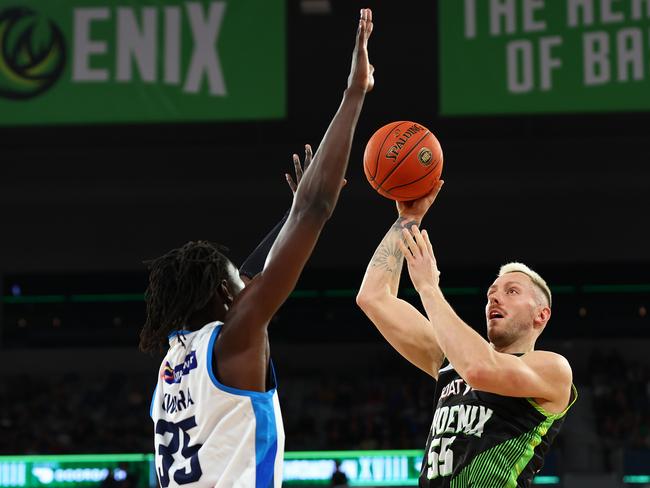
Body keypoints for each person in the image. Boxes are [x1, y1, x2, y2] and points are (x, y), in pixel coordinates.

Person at [139, 9, 374, 487]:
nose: (249, 285)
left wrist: (291, 217)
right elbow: (316, 207)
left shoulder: (175, 361)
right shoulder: (236, 336)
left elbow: (252, 272)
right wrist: (353, 94)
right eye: (238, 284)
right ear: (225, 299)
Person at [356, 181, 577, 487]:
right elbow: (373, 297)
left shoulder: (552, 370)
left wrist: (428, 288)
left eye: (512, 291)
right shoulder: (450, 361)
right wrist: (407, 221)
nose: (495, 298)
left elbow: (479, 369)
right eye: (492, 293)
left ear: (542, 315)